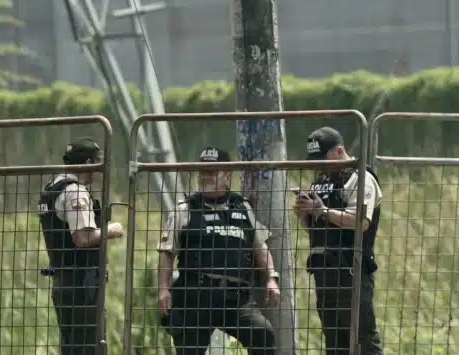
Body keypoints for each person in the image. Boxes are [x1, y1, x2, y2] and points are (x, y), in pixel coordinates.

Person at [156, 146, 278, 354]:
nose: (205, 177)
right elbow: (167, 252)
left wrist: (271, 278)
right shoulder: (185, 209)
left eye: (212, 173)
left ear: (227, 176)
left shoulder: (242, 207)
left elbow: (260, 246)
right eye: (202, 172)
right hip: (196, 297)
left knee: (263, 334)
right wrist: (163, 290)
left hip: (235, 298)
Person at [295, 126, 385, 355]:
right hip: (324, 271)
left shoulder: (360, 178)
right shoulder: (321, 181)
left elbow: (360, 221)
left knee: (363, 338)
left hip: (351, 270)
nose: (319, 166)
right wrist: (305, 215)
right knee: (334, 340)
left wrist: (322, 211)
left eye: (322, 159)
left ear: (339, 151)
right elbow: (317, 230)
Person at [38, 138, 124, 355]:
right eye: (98, 162)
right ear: (88, 163)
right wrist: (113, 229)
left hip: (64, 280)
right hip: (81, 283)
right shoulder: (75, 192)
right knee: (89, 347)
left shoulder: (51, 188)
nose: (101, 168)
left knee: (73, 346)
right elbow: (83, 238)